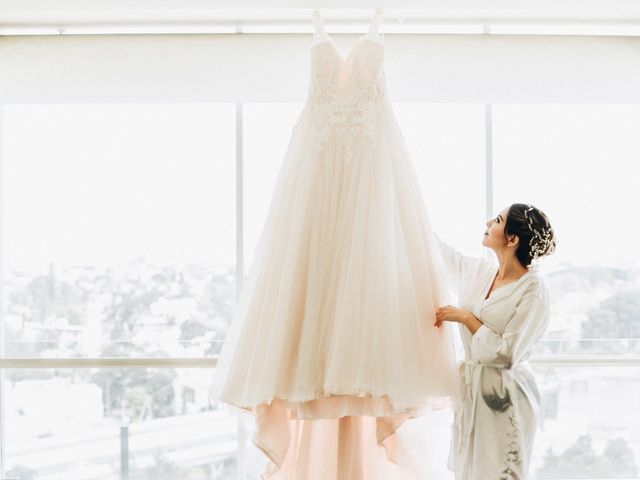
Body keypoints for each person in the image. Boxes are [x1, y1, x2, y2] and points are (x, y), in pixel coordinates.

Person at [433, 203, 557, 480]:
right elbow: (437, 252)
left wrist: (467, 318)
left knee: (500, 473)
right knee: (468, 472)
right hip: (472, 393)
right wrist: (405, 202)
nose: (489, 222)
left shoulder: (533, 291)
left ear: (512, 239)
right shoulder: (480, 272)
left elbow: (507, 353)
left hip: (506, 397)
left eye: (498, 220)